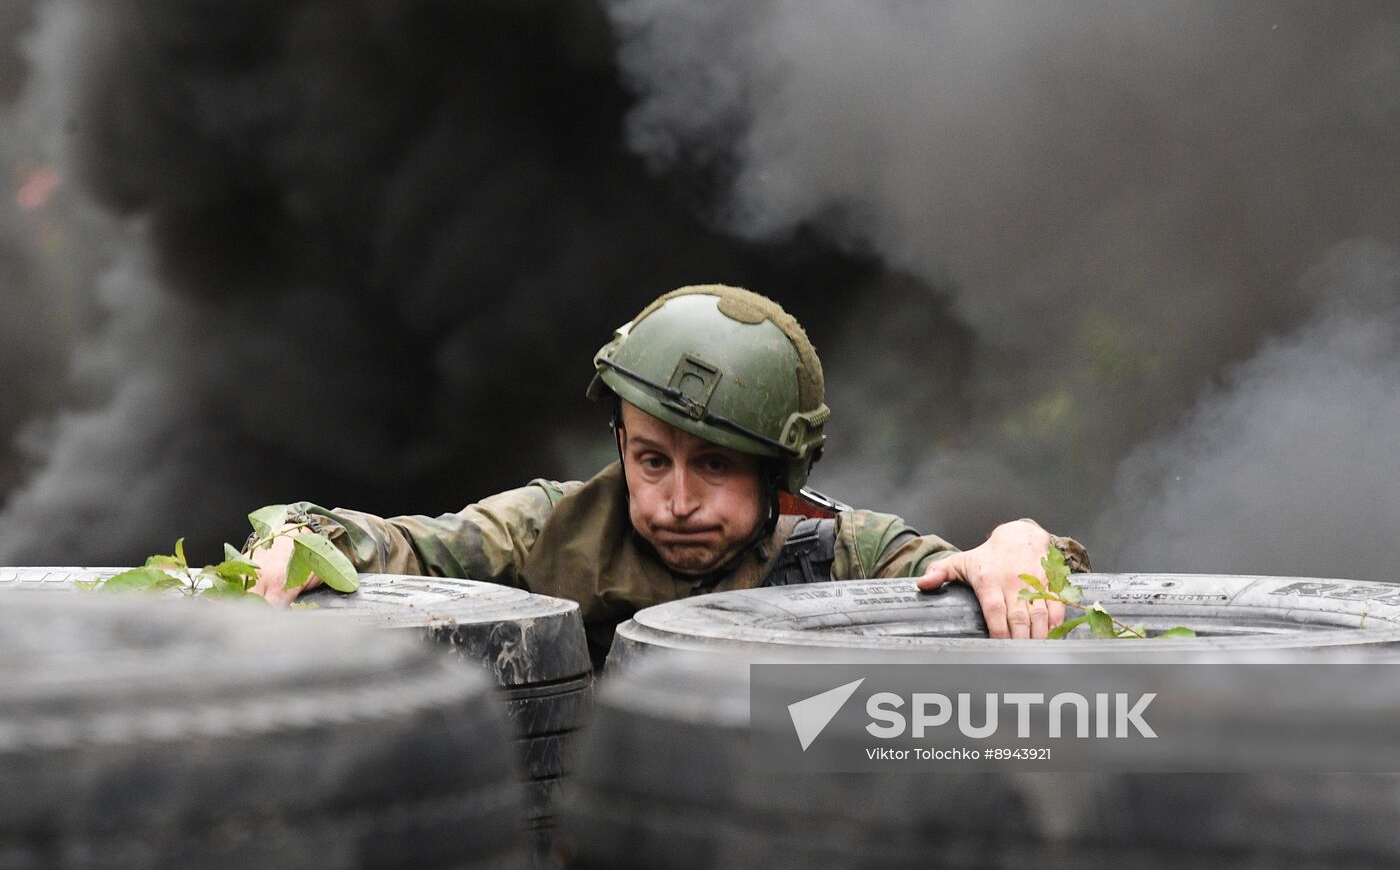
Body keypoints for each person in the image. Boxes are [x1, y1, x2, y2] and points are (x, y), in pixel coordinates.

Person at [248, 284, 1089, 663]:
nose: (677, 500)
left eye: (716, 466)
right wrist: (302, 536)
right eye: (651, 460)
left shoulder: (843, 551)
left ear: (778, 473)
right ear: (620, 444)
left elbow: (1018, 579)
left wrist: (1020, 544)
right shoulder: (558, 524)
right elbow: (401, 546)